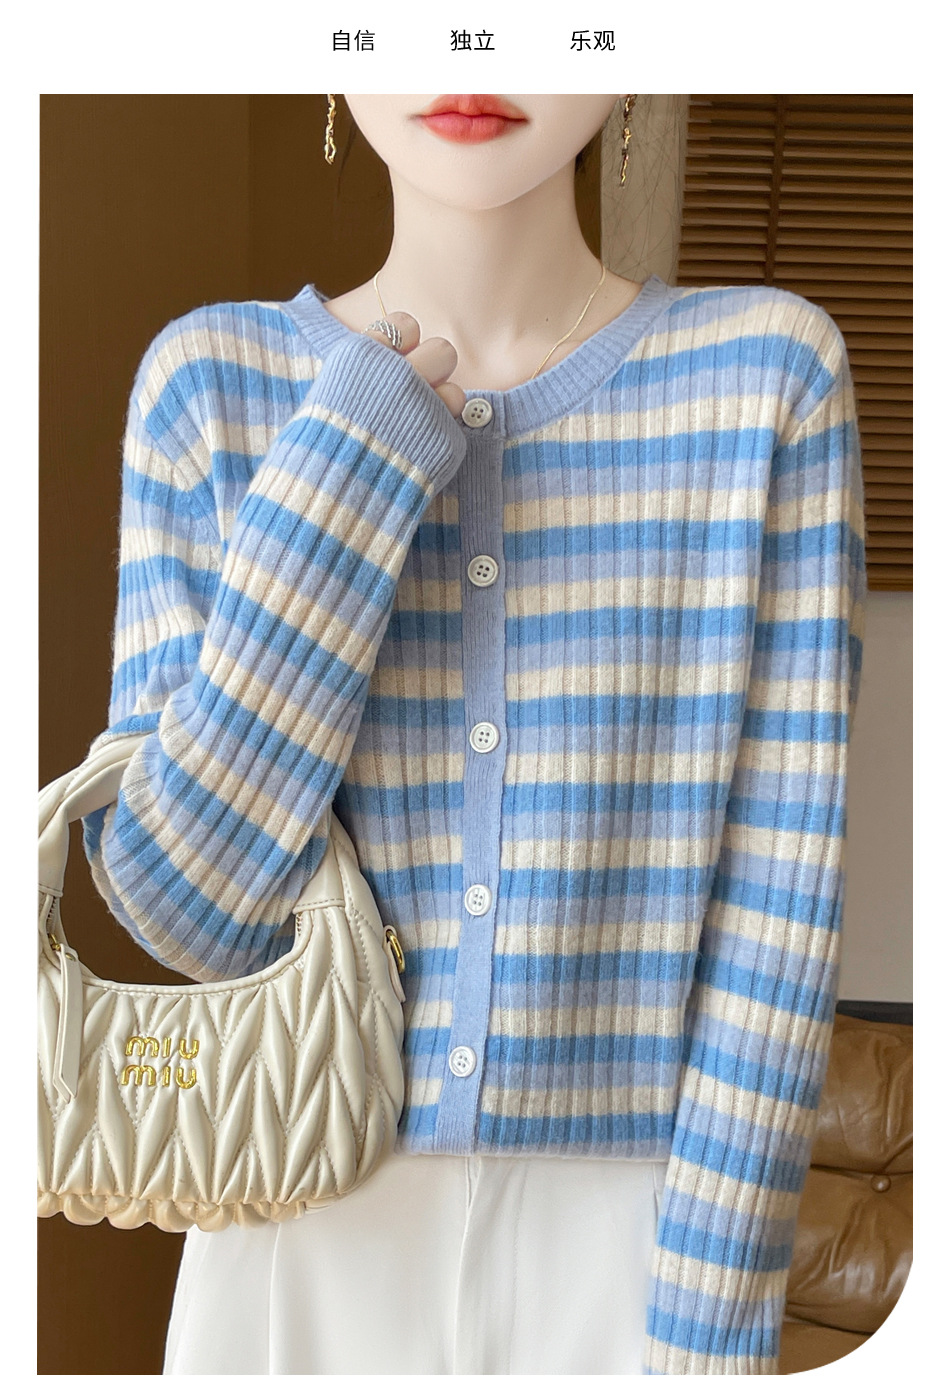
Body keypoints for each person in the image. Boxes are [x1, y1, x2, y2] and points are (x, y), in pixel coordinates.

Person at [79, 94, 867, 1375]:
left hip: (638, 1253)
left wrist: (708, 1334)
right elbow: (184, 907)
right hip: (290, 1231)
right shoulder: (210, 386)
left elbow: (778, 912)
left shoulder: (764, 379)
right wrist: (347, 464)